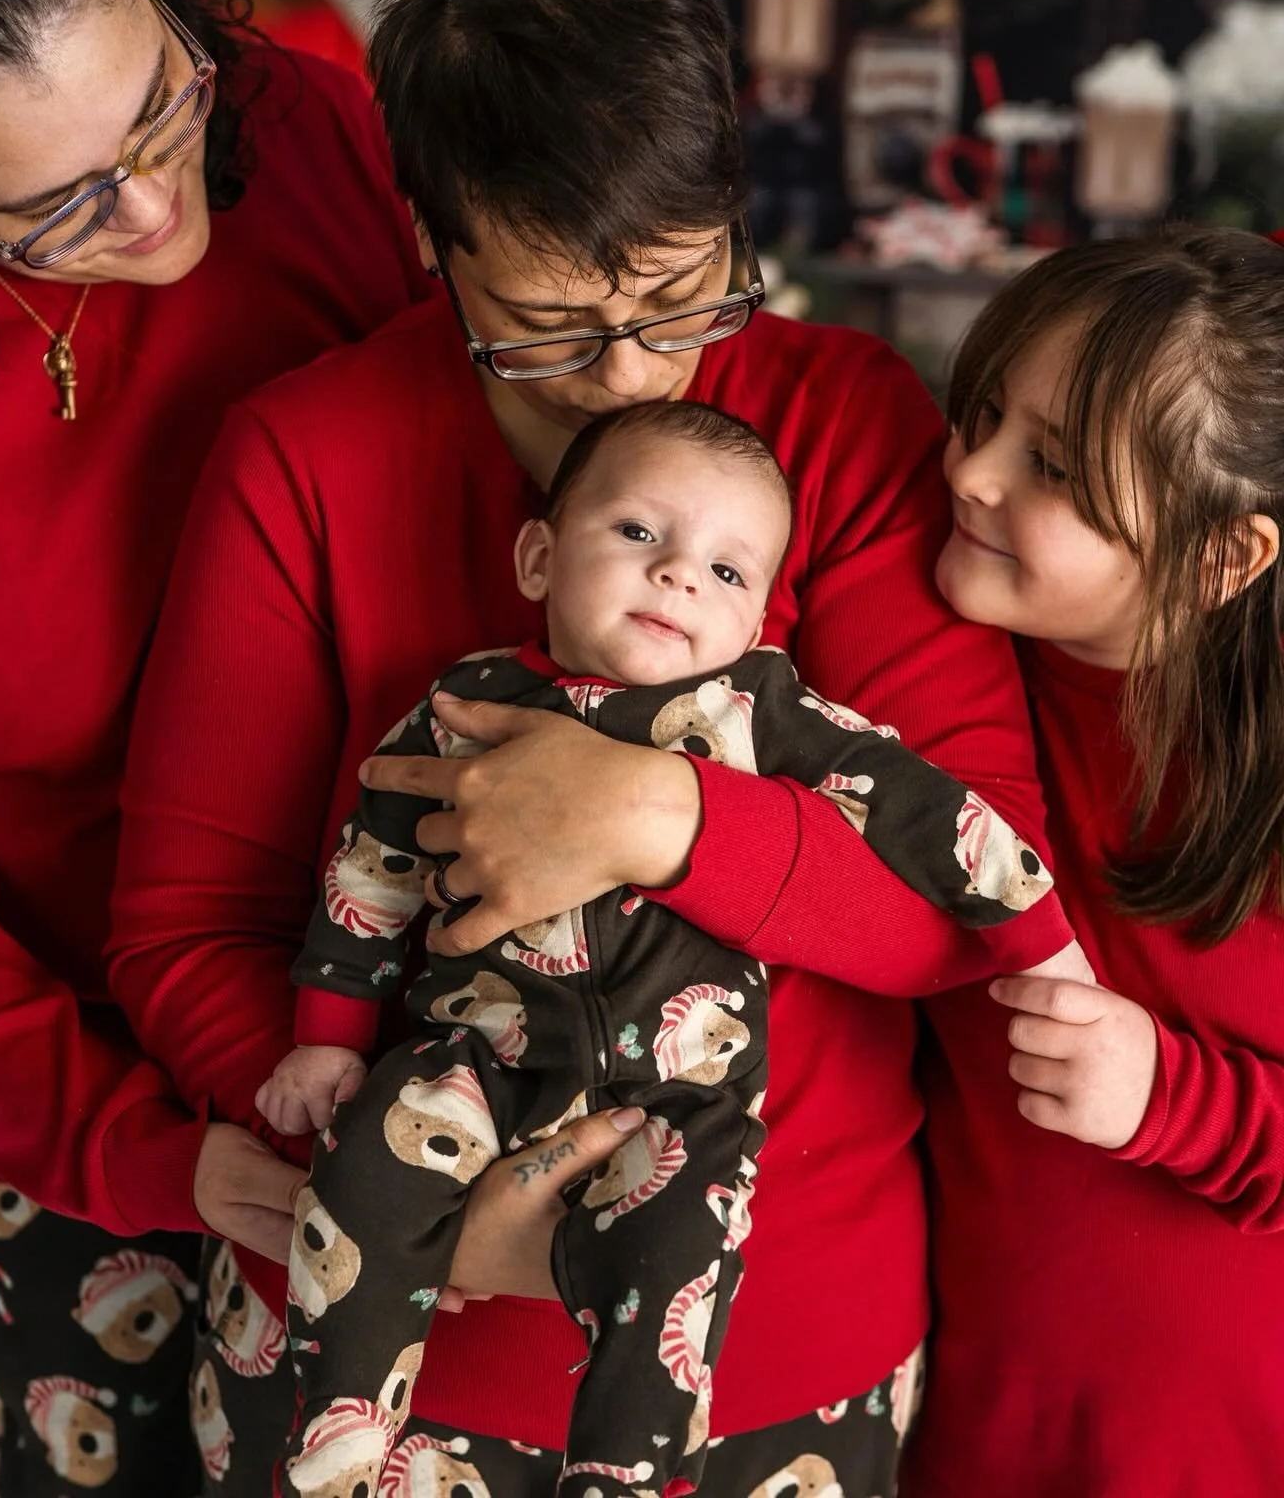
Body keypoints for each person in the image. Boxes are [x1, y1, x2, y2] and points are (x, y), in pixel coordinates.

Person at [108, 0, 1080, 1498]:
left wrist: (658, 814)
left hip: (777, 1342)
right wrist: (402, 1197)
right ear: (430, 238)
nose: (633, 376)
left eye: (687, 292)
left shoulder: (840, 420)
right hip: (381, 1354)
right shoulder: (304, 457)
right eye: (551, 321)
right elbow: (183, 926)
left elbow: (973, 888)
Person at [0, 0, 429, 1498]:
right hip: (58, 1080)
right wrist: (149, 1153)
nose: (162, 204)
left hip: (375, 1003)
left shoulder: (310, 132)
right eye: (63, 204)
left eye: (165, 103)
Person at [262, 400, 1060, 1498]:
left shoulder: (759, 710)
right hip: (475, 1062)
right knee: (365, 1169)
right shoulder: (463, 707)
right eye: (640, 535)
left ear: (760, 620)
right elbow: (369, 878)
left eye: (729, 572)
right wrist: (329, 1040)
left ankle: (628, 1478)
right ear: (540, 557)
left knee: (678, 1261)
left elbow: (924, 812)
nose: (683, 576)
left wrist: (1040, 938)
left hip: (684, 1098)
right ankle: (337, 1445)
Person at [902, 230, 1284, 1498]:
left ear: (1225, 561)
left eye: (1051, 466)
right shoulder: (931, 645)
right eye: (986, 410)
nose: (968, 470)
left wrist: (1169, 1094)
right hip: (958, 1416)